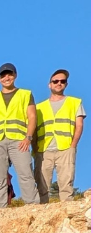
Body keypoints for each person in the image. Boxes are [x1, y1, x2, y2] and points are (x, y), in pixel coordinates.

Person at [0, 63, 37, 207]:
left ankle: (32, 206)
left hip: (19, 140)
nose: (6, 77)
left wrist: (28, 137)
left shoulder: (25, 94)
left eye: (9, 74)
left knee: (25, 172)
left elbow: (32, 117)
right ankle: (1, 209)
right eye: (3, 75)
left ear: (15, 75)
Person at [34, 69, 86, 202]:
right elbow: (33, 130)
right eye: (55, 81)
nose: (59, 83)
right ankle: (41, 215)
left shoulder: (74, 102)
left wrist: (72, 146)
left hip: (65, 148)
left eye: (62, 81)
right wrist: (35, 149)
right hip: (43, 149)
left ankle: (67, 216)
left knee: (66, 185)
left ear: (66, 84)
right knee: (41, 185)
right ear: (49, 84)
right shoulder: (39, 107)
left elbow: (79, 125)